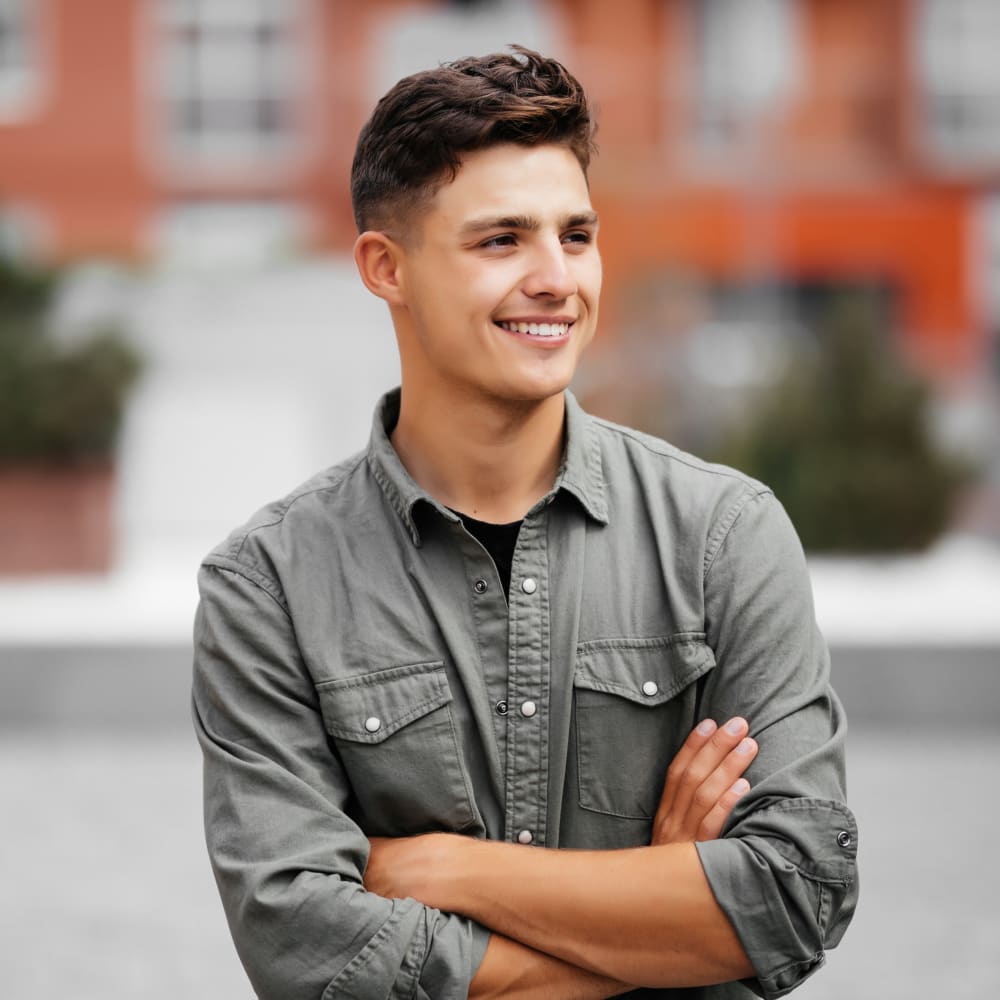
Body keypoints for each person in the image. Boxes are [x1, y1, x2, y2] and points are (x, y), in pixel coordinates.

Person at [192, 47, 858, 1000]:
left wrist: (450, 871)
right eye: (501, 240)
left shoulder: (724, 537)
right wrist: (660, 917)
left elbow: (798, 893)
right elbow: (311, 956)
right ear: (386, 268)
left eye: (576, 235)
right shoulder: (271, 587)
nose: (556, 278)